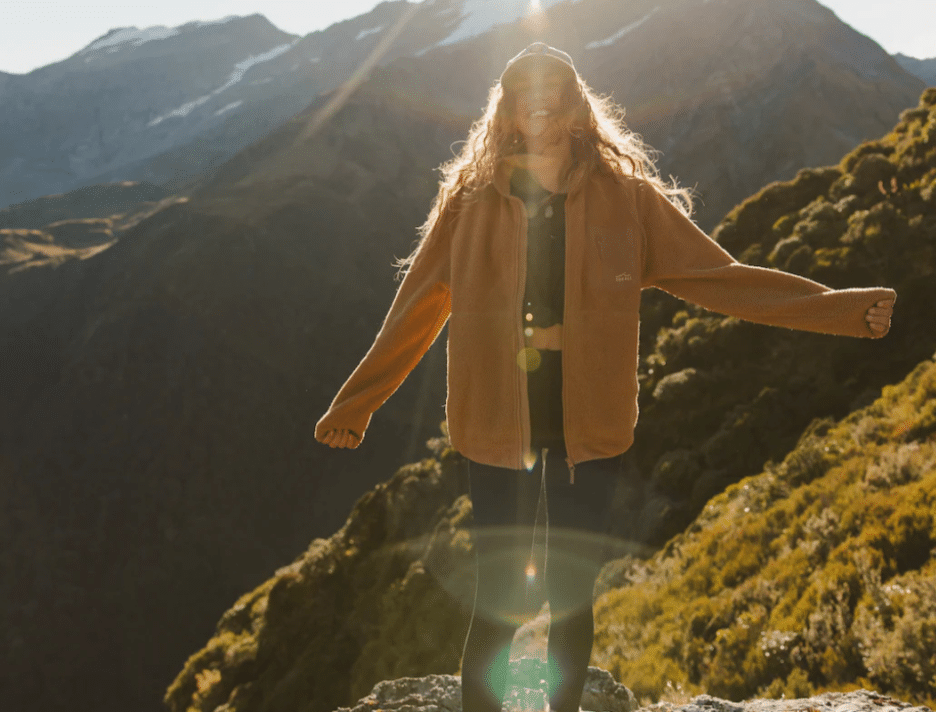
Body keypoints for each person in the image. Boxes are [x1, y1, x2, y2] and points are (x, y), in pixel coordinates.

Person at [314, 42, 895, 712]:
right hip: (495, 418)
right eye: (521, 88)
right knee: (498, 598)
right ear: (504, 106)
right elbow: (415, 308)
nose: (537, 99)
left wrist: (843, 311)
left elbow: (719, 280)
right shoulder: (469, 201)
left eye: (552, 87)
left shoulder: (628, 198)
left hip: (592, 422)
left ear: (574, 101)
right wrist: (356, 404)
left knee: (570, 595)